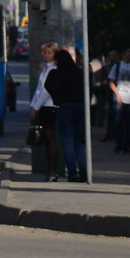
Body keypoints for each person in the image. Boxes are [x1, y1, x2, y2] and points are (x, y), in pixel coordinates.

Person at [47, 48, 88, 182]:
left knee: (67, 141)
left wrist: (57, 98)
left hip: (65, 108)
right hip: (81, 108)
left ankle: (72, 174)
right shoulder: (79, 73)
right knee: (79, 142)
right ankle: (84, 172)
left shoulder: (57, 74)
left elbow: (49, 87)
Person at [28, 42, 60, 181]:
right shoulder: (46, 68)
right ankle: (50, 171)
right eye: (45, 53)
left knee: (50, 138)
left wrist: (36, 106)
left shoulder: (55, 69)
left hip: (49, 106)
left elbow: (47, 91)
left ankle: (52, 172)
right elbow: (39, 90)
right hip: (43, 106)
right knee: (47, 139)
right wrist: (33, 105)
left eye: (49, 53)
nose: (46, 56)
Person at [108, 48, 130, 153]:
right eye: (128, 52)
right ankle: (119, 143)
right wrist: (117, 94)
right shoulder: (117, 66)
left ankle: (127, 146)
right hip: (120, 98)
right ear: (123, 54)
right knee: (117, 123)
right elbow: (111, 81)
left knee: (129, 124)